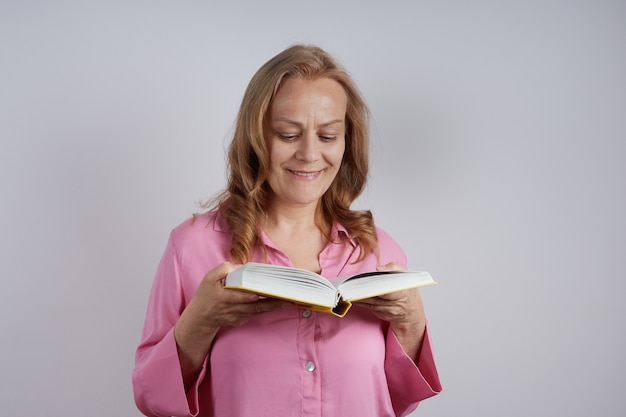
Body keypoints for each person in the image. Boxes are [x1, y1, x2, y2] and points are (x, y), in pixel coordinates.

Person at [132, 44, 442, 417]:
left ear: (347, 141)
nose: (310, 154)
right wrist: (200, 322)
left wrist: (411, 327)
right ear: (257, 136)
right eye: (288, 134)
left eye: (327, 136)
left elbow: (396, 402)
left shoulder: (379, 251)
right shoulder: (191, 247)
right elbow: (152, 400)